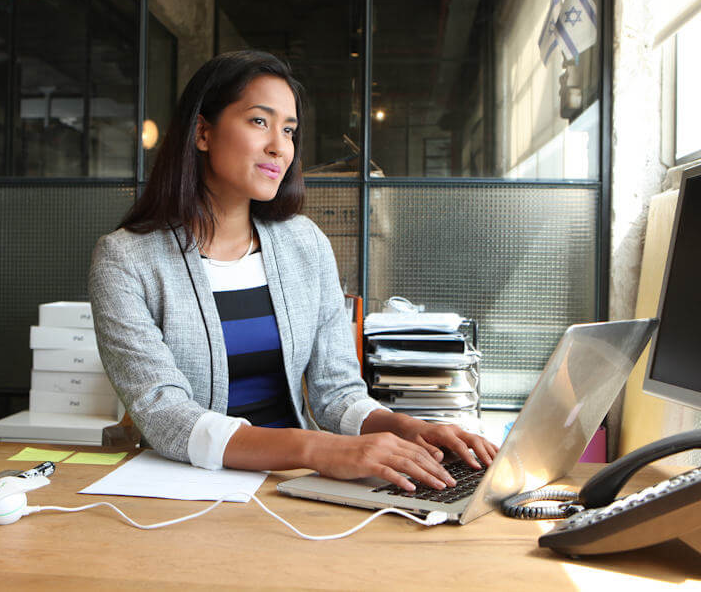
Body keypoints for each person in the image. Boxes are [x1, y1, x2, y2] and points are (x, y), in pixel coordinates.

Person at [89, 50, 497, 492]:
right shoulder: (125, 259)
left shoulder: (305, 244)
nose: (279, 147)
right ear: (202, 132)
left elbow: (336, 392)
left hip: (295, 486)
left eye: (289, 130)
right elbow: (164, 414)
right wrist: (315, 449)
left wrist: (404, 427)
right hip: (192, 491)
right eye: (259, 122)